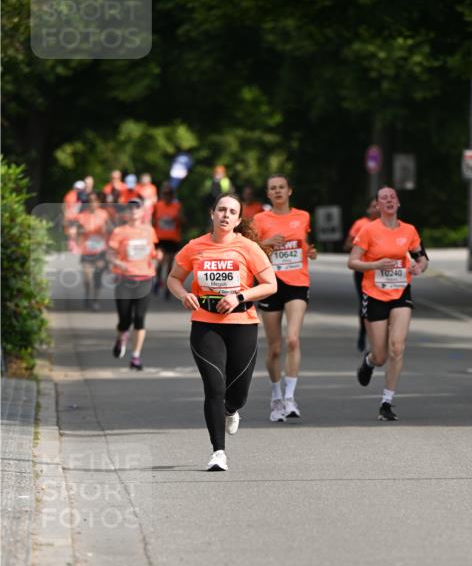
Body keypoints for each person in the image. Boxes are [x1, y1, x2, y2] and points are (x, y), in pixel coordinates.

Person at [166, 193, 277, 471]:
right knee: (214, 388)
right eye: (221, 210)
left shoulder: (248, 247)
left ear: (238, 219)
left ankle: (231, 410)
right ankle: (218, 452)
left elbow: (270, 284)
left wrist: (240, 297)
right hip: (205, 324)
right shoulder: (195, 246)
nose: (225, 215)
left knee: (237, 394)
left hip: (242, 324)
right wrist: (183, 295)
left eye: (231, 212)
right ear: (212, 214)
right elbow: (173, 278)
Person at [348, 185, 428, 421]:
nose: (389, 200)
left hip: (401, 292)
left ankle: (387, 401)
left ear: (398, 203)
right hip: (374, 295)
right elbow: (352, 262)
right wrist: (375, 265)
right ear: (378, 205)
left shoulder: (410, 230)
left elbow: (421, 256)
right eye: (384, 198)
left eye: (392, 197)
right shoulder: (368, 230)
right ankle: (369, 361)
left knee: (397, 347)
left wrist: (419, 266)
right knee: (381, 355)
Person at [252, 174, 317, 421]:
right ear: (268, 194)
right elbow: (248, 249)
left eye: (281, 187)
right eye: (273, 188)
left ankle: (290, 397)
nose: (278, 191)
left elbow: (304, 243)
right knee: (275, 347)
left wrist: (309, 251)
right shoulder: (260, 219)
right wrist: (266, 242)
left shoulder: (302, 216)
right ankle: (276, 396)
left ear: (290, 191)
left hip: (298, 282)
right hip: (270, 284)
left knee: (292, 340)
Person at [107, 198, 160, 370]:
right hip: (124, 279)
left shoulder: (149, 230)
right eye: (130, 209)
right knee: (124, 320)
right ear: (126, 213)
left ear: (142, 212)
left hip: (144, 279)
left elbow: (152, 252)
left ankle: (135, 356)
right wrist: (118, 263)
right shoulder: (119, 231)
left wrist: (157, 256)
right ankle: (121, 337)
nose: (134, 212)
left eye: (137, 209)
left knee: (139, 319)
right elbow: (110, 254)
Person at [344, 198, 380, 351]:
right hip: (363, 271)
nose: (376, 209)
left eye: (378, 206)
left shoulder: (389, 226)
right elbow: (347, 245)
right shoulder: (360, 224)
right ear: (368, 210)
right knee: (365, 305)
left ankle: (380, 337)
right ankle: (363, 333)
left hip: (382, 273)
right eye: (373, 206)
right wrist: (363, 245)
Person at [74, 192, 111, 309]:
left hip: (101, 251)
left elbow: (111, 230)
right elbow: (77, 234)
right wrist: (80, 235)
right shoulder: (82, 216)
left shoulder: (104, 214)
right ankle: (87, 294)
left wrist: (107, 230)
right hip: (86, 250)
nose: (93, 203)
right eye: (90, 201)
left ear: (99, 203)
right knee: (87, 277)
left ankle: (96, 301)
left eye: (95, 201)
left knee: (97, 276)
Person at [153, 183, 184, 297]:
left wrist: (178, 218)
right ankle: (157, 281)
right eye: (165, 194)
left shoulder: (177, 206)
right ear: (162, 195)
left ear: (172, 195)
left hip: (172, 238)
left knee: (170, 263)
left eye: (169, 194)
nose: (167, 196)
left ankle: (167, 287)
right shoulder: (157, 205)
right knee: (160, 260)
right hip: (160, 238)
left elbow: (183, 221)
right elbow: (153, 220)